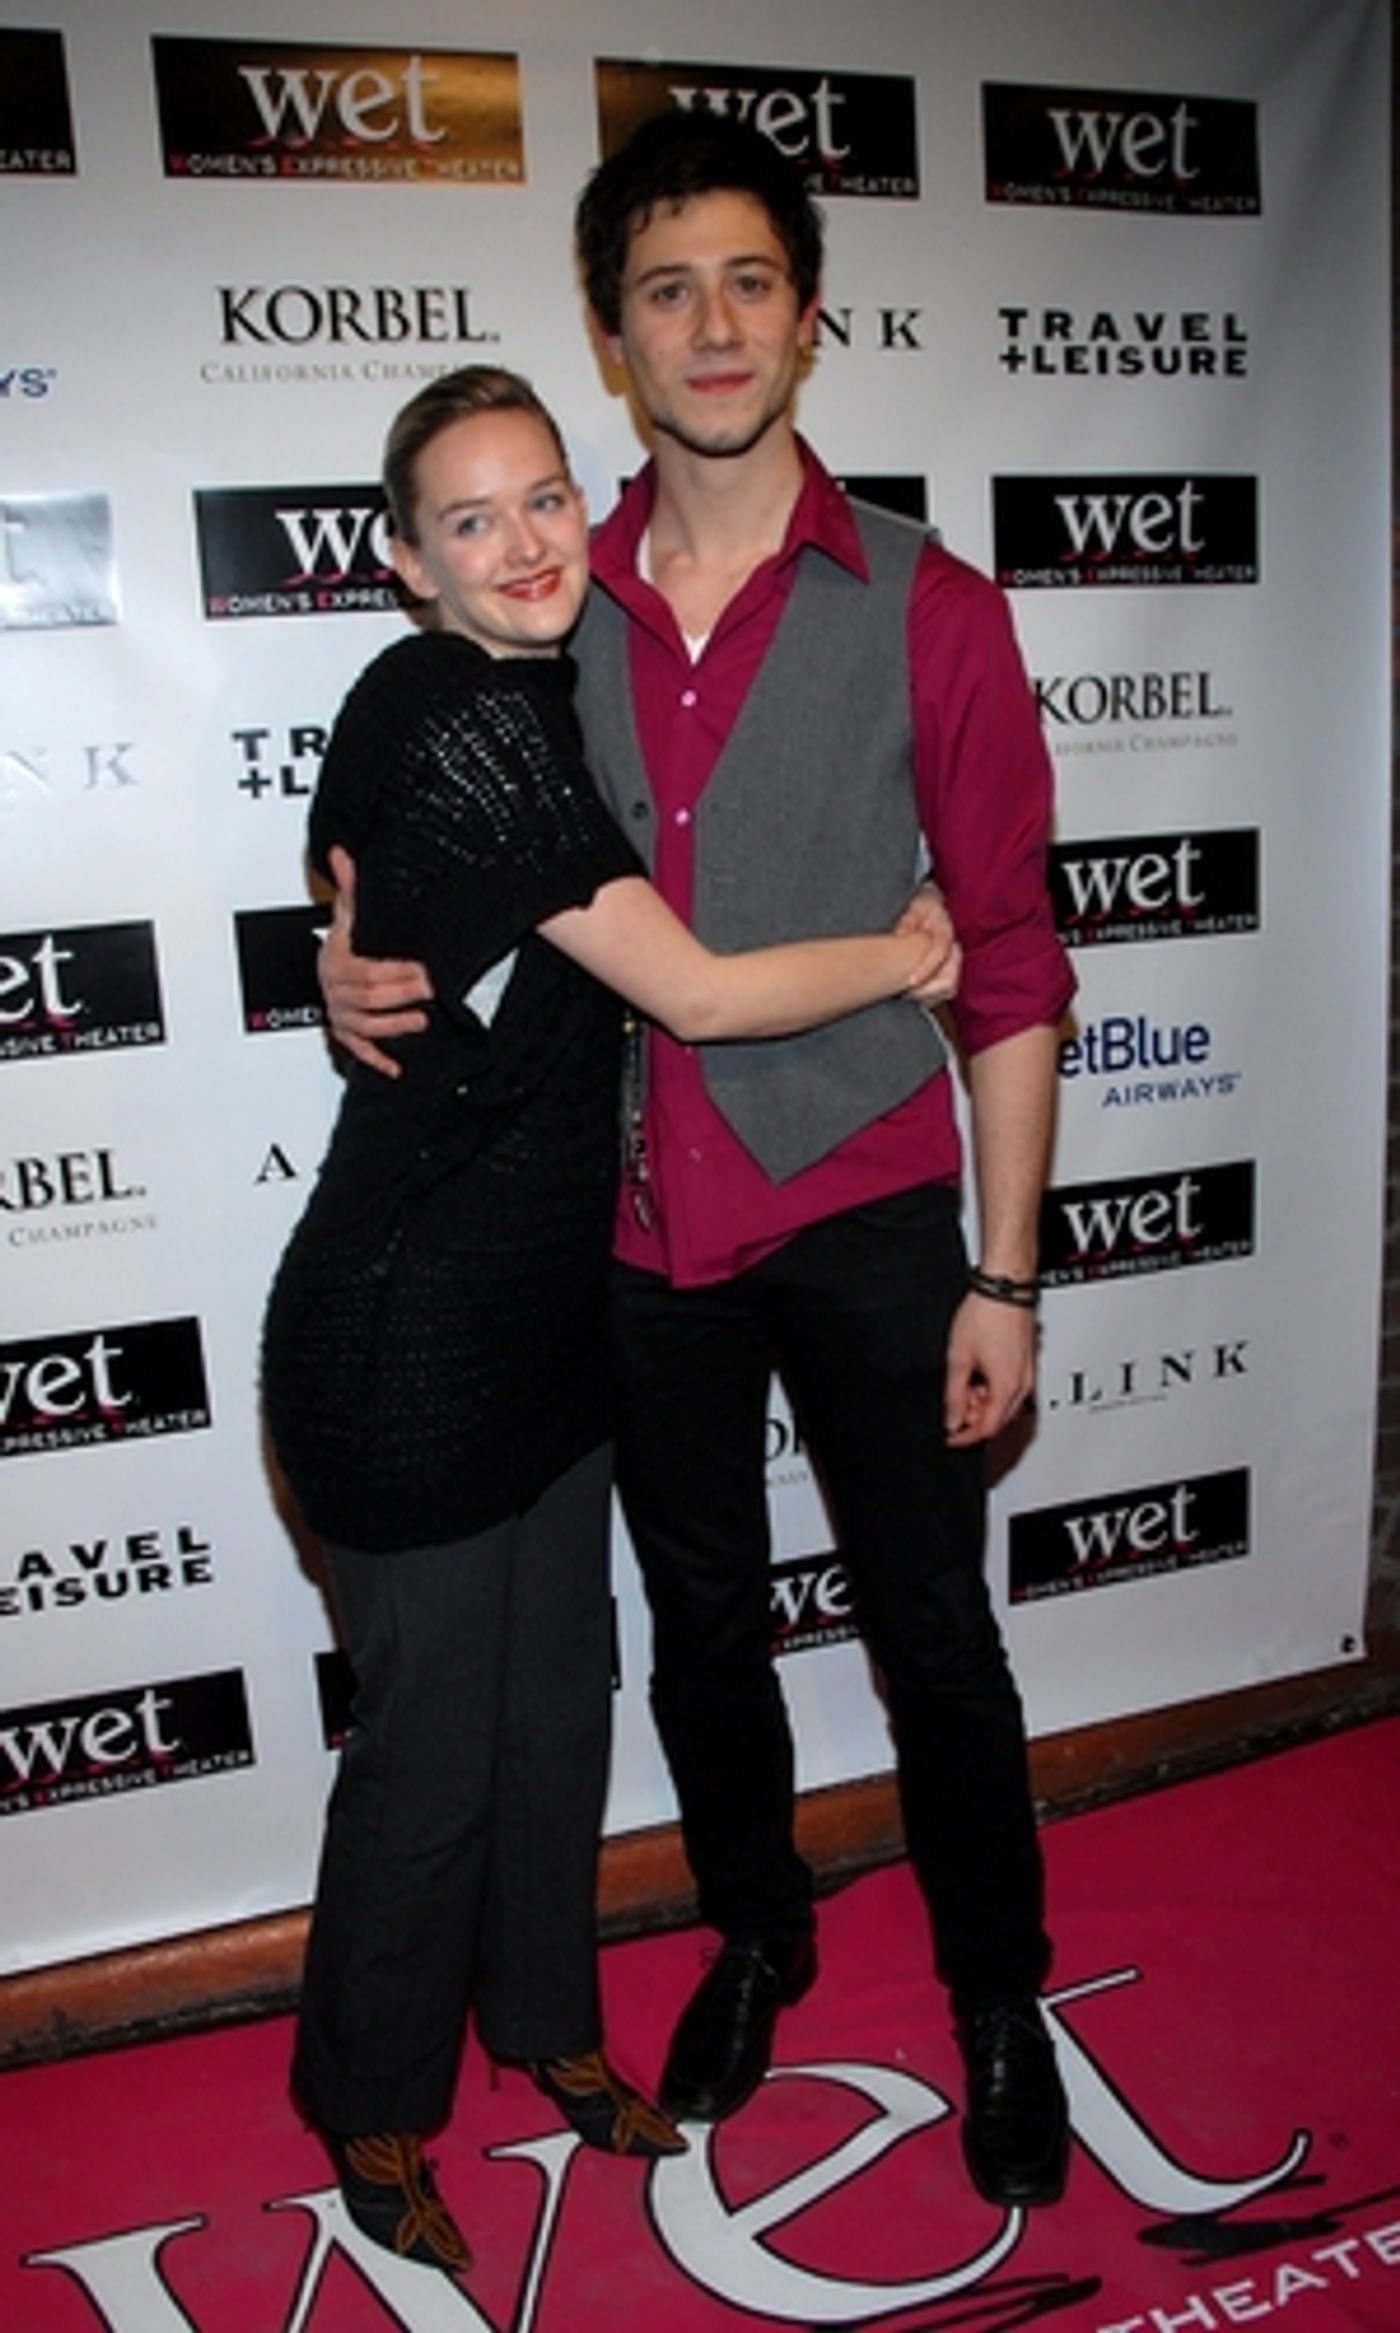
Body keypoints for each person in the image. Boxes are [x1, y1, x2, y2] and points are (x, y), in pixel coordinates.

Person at [320, 112, 1076, 2211]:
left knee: (935, 1632)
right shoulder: (545, 596)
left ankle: (999, 1999)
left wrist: (1006, 1273)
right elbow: (423, 824)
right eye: (667, 290)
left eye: (750, 281)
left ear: (808, 315)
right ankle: (757, 1931)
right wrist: (343, 951)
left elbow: (1012, 963)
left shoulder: (931, 605)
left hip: (861, 1206)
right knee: (702, 1631)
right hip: (629, 1232)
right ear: (614, 332)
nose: (713, 324)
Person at [262, 362, 958, 2278]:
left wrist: (342, 952)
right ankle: (373, 2103)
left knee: (559, 1707)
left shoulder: (545, 689)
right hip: (402, 1341)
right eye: (469, 519)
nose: (523, 543)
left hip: (552, 1324)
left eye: (546, 497)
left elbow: (348, 876)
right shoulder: (449, 708)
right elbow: (701, 994)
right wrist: (907, 954)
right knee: (431, 1751)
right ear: (406, 562)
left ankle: (548, 2023)